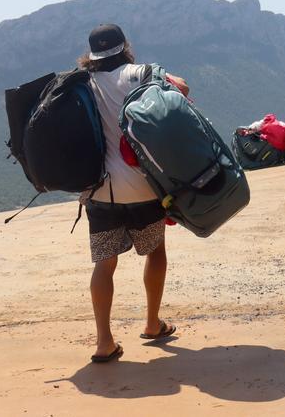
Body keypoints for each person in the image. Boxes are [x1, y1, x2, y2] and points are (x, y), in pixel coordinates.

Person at [77, 23, 183, 364]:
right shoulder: (142, 73)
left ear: (92, 54)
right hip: (143, 187)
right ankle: (152, 323)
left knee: (104, 265)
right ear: (125, 46)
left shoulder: (82, 84)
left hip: (100, 191)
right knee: (155, 253)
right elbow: (182, 89)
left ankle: (104, 342)